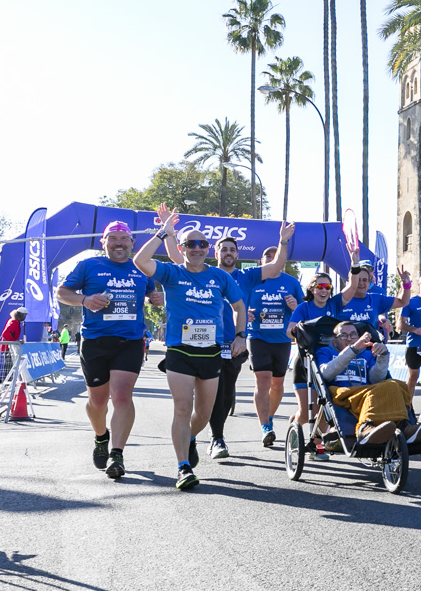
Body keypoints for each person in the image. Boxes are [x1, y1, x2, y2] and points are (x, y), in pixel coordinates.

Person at [157, 208, 294, 461]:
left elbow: (276, 265)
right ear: (215, 253)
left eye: (233, 250)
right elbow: (178, 254)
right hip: (197, 344)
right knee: (204, 397)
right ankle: (216, 439)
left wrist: (283, 241)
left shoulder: (247, 276)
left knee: (226, 394)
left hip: (232, 345)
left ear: (237, 255)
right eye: (224, 250)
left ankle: (194, 436)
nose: (229, 253)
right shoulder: (197, 270)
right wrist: (168, 233)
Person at [133, 209, 246, 491]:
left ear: (208, 250)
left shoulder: (221, 277)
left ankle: (191, 438)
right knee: (183, 408)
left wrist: (241, 335)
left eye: (202, 245)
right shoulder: (171, 272)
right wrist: (164, 232)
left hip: (211, 352)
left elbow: (239, 308)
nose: (197, 249)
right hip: (180, 351)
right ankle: (183, 466)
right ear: (181, 248)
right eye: (190, 244)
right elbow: (140, 260)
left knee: (204, 415)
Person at [57, 220, 165, 479]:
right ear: (103, 242)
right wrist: (85, 299)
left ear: (132, 243)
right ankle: (101, 436)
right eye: (113, 239)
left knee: (121, 396)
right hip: (95, 341)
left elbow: (152, 292)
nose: (119, 243)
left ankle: (117, 453)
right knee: (98, 401)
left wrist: (155, 298)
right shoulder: (88, 265)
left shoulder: (141, 267)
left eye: (123, 239)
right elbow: (61, 291)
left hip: (129, 341)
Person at [316, 321, 421, 444]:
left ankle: (405, 427)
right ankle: (365, 428)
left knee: (398, 385)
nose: (349, 338)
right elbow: (326, 374)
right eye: (343, 335)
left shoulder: (366, 354)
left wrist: (382, 356)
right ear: (334, 340)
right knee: (378, 390)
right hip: (341, 393)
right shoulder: (325, 352)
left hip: (366, 392)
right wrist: (352, 350)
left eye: (353, 334)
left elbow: (377, 379)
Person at [244, 245, 304, 447]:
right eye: (267, 256)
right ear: (261, 261)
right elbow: (237, 303)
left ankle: (268, 417)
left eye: (275, 256)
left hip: (282, 339)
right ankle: (265, 427)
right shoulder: (253, 280)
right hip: (257, 337)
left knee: (277, 384)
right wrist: (246, 313)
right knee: (263, 379)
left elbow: (305, 310)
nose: (271, 259)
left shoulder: (291, 283)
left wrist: (295, 306)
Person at [287, 272, 336, 438]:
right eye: (319, 287)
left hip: (328, 362)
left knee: (327, 409)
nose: (324, 291)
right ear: (312, 289)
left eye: (327, 287)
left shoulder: (334, 306)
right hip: (305, 363)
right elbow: (289, 331)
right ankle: (296, 425)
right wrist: (299, 332)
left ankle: (316, 445)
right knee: (309, 411)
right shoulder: (304, 308)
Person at [397, 274, 421, 405]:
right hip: (414, 344)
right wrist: (415, 330)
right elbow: (400, 325)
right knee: (413, 376)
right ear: (419, 285)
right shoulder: (411, 302)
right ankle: (408, 407)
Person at [0, 307, 27, 380]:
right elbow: (5, 333)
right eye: (24, 315)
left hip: (9, 346)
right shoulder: (14, 322)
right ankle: (8, 381)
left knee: (9, 365)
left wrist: (15, 340)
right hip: (9, 347)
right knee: (9, 365)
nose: (25, 317)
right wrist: (13, 341)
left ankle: (8, 381)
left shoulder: (14, 321)